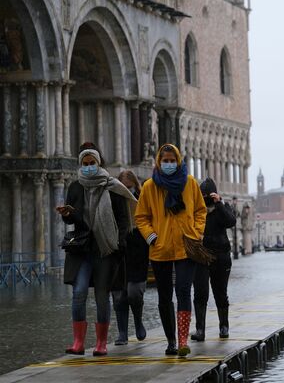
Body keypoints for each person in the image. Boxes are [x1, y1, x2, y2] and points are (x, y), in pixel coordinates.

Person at [57, 143, 137, 356]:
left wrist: (118, 244)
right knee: (79, 292)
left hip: (106, 248)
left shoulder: (112, 186)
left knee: (103, 295)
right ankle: (78, 342)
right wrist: (67, 214)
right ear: (80, 164)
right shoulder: (75, 187)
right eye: (85, 164)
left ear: (99, 163)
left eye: (92, 163)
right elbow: (74, 219)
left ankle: (101, 343)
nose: (89, 167)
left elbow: (122, 219)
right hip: (82, 248)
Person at [135, 144, 207, 357]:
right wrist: (151, 237)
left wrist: (197, 232)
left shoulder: (190, 183)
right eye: (164, 160)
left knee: (184, 291)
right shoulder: (149, 187)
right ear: (159, 161)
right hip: (160, 248)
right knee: (164, 296)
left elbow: (201, 210)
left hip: (187, 245)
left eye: (171, 160)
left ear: (178, 161)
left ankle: (183, 340)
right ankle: (171, 341)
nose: (168, 164)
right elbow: (141, 217)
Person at [191, 178, 236, 342]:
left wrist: (219, 204)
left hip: (221, 256)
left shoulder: (223, 208)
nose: (205, 199)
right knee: (200, 293)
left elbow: (231, 221)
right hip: (201, 256)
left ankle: (224, 326)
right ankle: (200, 330)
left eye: (207, 195)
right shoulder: (197, 209)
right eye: (202, 196)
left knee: (220, 293)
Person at [111, 170, 149, 345]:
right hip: (118, 250)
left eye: (129, 187)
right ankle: (122, 333)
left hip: (138, 250)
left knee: (134, 293)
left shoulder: (142, 200)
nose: (127, 191)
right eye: (123, 188)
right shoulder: (113, 200)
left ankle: (138, 320)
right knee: (118, 295)